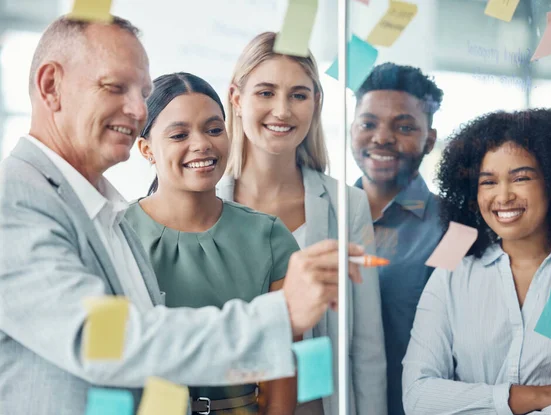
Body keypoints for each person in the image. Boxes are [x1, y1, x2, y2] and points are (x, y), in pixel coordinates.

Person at [0, 16, 364, 415]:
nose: (138, 109)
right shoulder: (17, 202)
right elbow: (105, 341)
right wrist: (278, 317)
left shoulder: (103, 211)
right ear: (51, 87)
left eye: (142, 91)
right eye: (115, 87)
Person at [216, 32, 387, 415]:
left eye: (298, 94)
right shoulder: (206, 200)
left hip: (318, 403)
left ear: (316, 103)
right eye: (265, 93)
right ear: (236, 99)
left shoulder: (348, 206)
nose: (282, 110)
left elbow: (367, 348)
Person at [402, 109, 551, 414]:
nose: (504, 196)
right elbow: (418, 396)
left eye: (521, 178)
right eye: (488, 182)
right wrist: (539, 396)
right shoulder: (452, 273)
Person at [125, 72, 298, 414]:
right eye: (179, 134)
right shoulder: (117, 234)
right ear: (147, 149)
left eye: (214, 129)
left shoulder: (270, 237)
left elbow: (282, 370)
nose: (202, 143)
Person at [350, 63, 444, 415]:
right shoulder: (325, 215)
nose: (382, 138)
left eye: (404, 127)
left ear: (429, 139)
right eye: (368, 124)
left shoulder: (455, 227)